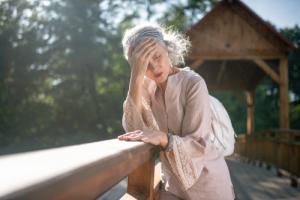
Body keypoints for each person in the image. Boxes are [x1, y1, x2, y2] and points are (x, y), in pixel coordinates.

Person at [118, 22, 235, 200]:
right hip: (173, 187)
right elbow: (133, 128)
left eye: (157, 56)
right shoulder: (146, 88)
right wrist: (136, 75)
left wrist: (164, 138)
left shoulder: (193, 83)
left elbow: (198, 144)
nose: (154, 67)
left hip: (210, 187)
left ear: (167, 49)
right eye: (144, 64)